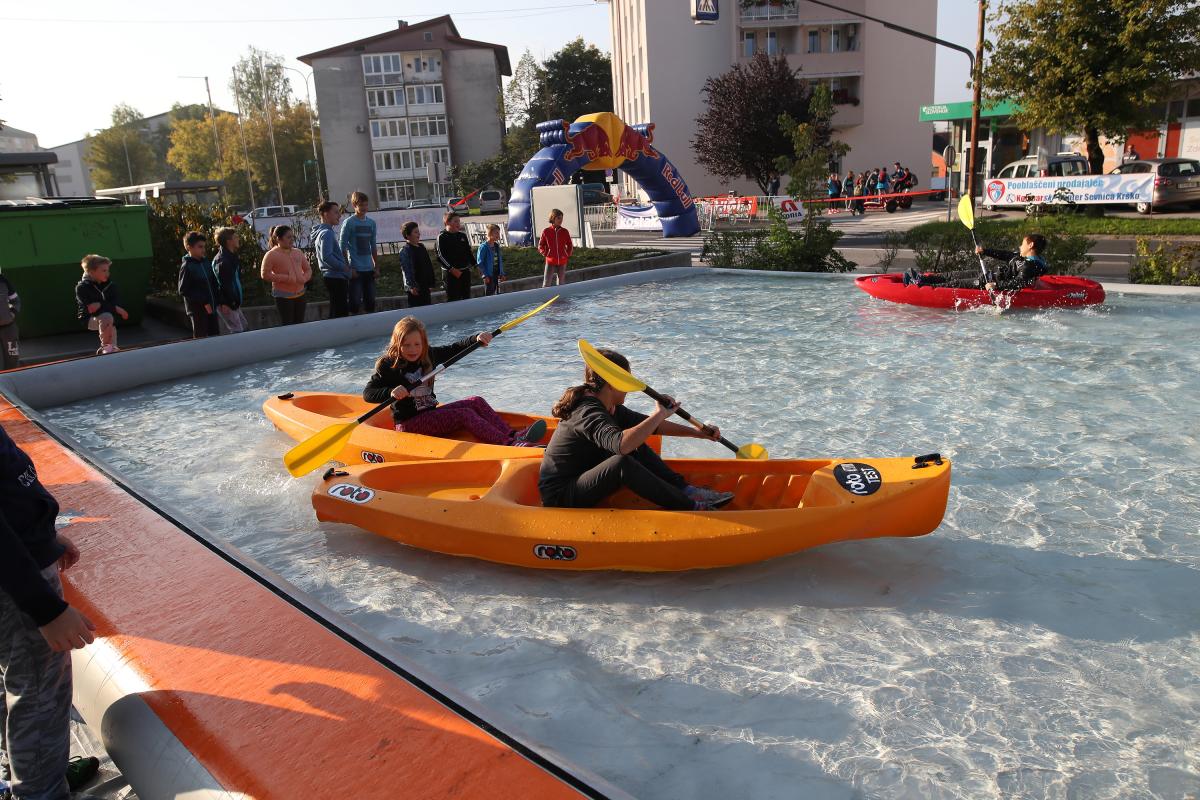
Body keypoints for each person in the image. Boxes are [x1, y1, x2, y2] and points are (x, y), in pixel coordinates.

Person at [1, 423, 98, 800]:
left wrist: (44, 533)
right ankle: (41, 789)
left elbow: (10, 483)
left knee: (14, 679)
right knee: (39, 691)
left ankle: (28, 774)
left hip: (19, 557)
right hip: (17, 585)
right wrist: (47, 610)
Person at [539, 348, 735, 512]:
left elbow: (651, 426)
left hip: (583, 479)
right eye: (626, 383)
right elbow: (622, 445)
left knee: (637, 442)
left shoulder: (609, 407)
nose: (628, 390)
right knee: (622, 462)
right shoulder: (587, 411)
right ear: (612, 383)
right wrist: (659, 413)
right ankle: (692, 507)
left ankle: (686, 490)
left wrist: (698, 433)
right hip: (561, 497)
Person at [362, 316, 545, 445]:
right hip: (409, 424)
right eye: (406, 345)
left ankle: (513, 435)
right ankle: (508, 444)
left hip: (430, 414)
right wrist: (390, 392)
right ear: (397, 344)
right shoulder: (388, 364)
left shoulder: (428, 355)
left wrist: (476, 339)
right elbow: (368, 393)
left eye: (417, 344)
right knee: (464, 414)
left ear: (424, 343)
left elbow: (454, 348)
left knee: (476, 401)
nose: (413, 349)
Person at [904, 233, 1049, 291]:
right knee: (950, 275)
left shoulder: (1030, 266)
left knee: (954, 284)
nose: (1020, 246)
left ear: (1030, 246)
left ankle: (919, 286)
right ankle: (922, 278)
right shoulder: (1021, 257)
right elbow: (1004, 254)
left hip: (987, 283)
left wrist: (996, 285)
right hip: (986, 274)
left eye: (1023, 244)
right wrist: (984, 251)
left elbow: (1019, 283)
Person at [75, 255, 128, 354]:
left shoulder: (111, 286)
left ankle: (112, 349)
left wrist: (100, 304)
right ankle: (106, 347)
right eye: (104, 271)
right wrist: (115, 308)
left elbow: (115, 303)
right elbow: (91, 309)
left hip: (108, 318)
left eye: (108, 270)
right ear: (91, 272)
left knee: (110, 323)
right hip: (89, 318)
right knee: (106, 317)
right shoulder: (82, 288)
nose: (107, 273)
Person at [260, 225, 311, 326]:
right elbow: (265, 274)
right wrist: (286, 278)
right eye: (288, 237)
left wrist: (303, 278)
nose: (292, 239)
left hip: (300, 294)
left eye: (292, 237)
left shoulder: (298, 252)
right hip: (283, 296)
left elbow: (308, 269)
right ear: (278, 239)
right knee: (288, 326)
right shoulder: (271, 255)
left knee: (300, 325)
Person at [340, 191, 378, 314]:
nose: (364, 208)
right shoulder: (349, 222)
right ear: (354, 205)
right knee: (354, 303)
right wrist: (348, 268)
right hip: (356, 269)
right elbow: (342, 246)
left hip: (369, 269)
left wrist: (376, 266)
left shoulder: (371, 223)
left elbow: (373, 245)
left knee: (371, 302)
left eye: (366, 205)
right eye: (361, 205)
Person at [313, 201, 352, 319]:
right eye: (336, 212)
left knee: (336, 311)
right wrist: (344, 267)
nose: (339, 215)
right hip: (335, 277)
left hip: (331, 276)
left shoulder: (322, 232)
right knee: (340, 313)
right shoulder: (327, 233)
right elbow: (327, 257)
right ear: (325, 214)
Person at [178, 232, 220, 339]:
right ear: (189, 248)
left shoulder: (206, 262)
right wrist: (204, 301)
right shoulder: (187, 266)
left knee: (215, 336)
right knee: (201, 337)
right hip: (198, 310)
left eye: (204, 247)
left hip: (212, 306)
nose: (203, 250)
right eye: (200, 247)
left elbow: (213, 282)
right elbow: (183, 289)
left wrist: (218, 299)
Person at [211, 227, 248, 334]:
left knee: (244, 327)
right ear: (229, 241)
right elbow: (222, 284)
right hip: (227, 303)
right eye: (235, 237)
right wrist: (224, 303)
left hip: (233, 302)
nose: (238, 238)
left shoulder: (230, 257)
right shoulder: (222, 261)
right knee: (238, 332)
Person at [435, 212, 475, 302]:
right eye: (455, 221)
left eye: (459, 221)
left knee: (466, 298)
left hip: (465, 272)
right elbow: (440, 256)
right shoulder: (442, 237)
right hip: (451, 274)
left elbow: (468, 252)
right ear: (447, 222)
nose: (458, 223)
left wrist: (475, 265)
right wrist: (451, 269)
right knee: (453, 299)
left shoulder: (462, 235)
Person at [397, 221, 435, 308]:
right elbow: (406, 270)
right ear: (407, 235)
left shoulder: (422, 247)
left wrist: (431, 282)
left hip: (425, 286)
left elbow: (428, 265)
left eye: (418, 231)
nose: (419, 234)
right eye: (415, 232)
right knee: (416, 310)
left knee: (427, 308)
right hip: (415, 288)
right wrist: (411, 286)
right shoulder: (405, 250)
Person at [538, 209, 573, 288]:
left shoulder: (565, 231)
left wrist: (567, 254)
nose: (561, 220)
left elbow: (570, 245)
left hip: (562, 261)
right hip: (550, 261)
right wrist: (546, 254)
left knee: (561, 284)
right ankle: (546, 296)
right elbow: (540, 246)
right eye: (558, 218)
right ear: (553, 218)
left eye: (562, 218)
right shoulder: (546, 231)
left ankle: (560, 296)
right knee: (546, 284)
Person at [475, 224, 505, 297]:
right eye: (496, 233)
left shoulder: (496, 246)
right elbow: (480, 263)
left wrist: (502, 273)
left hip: (497, 274)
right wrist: (484, 275)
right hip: (489, 275)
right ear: (489, 233)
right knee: (489, 294)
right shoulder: (483, 247)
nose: (498, 235)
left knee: (497, 294)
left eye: (499, 233)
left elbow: (499, 261)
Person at [0, 269, 21, 369]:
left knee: (13, 361)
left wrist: (12, 313)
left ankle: (14, 378)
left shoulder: (3, 281)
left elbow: (16, 301)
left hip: (8, 328)